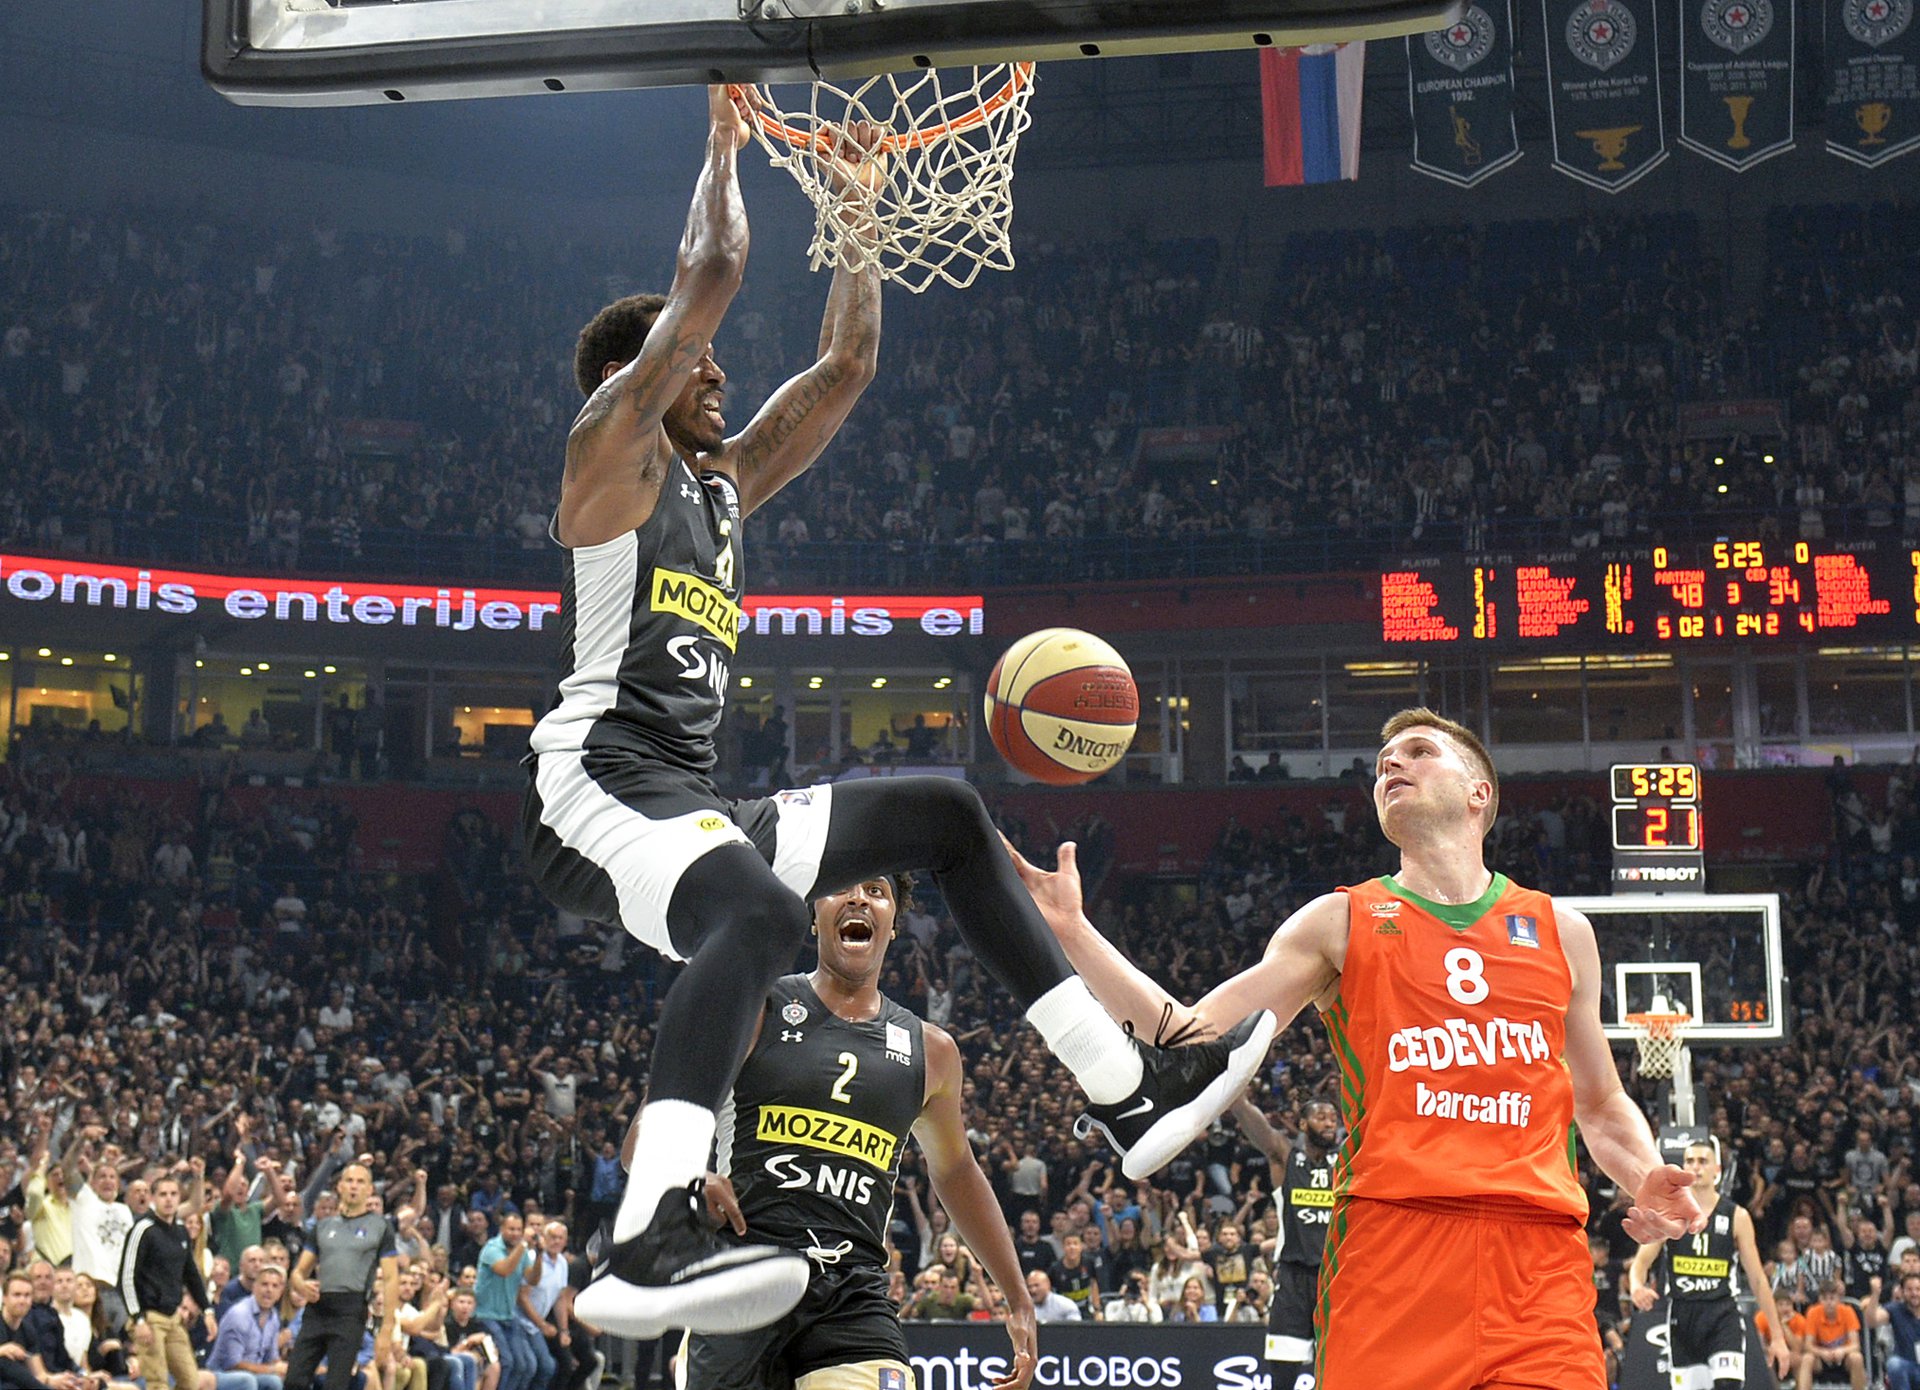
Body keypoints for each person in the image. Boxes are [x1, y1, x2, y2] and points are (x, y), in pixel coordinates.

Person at [519, 84, 1274, 1340]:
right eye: (694, 361)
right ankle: (645, 1238)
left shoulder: (722, 489)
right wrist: (724, 141)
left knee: (946, 815)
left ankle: (1125, 1089)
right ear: (628, 378)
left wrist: (859, 216)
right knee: (764, 915)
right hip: (593, 786)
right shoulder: (608, 457)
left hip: (689, 798)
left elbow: (846, 368)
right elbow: (709, 273)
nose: (719, 371)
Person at [1005, 707, 1704, 1390]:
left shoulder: (1562, 931)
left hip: (1539, 1259)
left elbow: (1600, 1102)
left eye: (1420, 752)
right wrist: (1072, 932)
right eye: (1383, 763)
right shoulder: (1340, 921)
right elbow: (1188, 1035)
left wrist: (1644, 1170)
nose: (1393, 763)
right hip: (1396, 1247)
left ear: (1479, 792)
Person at [671, 875, 1037, 1389]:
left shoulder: (932, 1051)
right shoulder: (752, 1007)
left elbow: (956, 1170)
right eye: (843, 886)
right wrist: (686, 1176)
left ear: (893, 924)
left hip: (853, 1290)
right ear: (814, 913)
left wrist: (1017, 1297)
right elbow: (650, 1125)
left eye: (877, 890)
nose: (859, 898)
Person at [1627, 1138, 1791, 1389]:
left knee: (1728, 1384)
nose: (1696, 1167)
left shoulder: (1737, 1216)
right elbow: (1640, 1263)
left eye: (1703, 1161)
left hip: (1722, 1314)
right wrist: (1636, 1286)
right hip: (1683, 1316)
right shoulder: (1669, 1214)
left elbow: (1758, 1279)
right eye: (1690, 1161)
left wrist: (1777, 1337)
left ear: (1717, 1170)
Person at [1231, 1094, 1337, 1388]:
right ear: (1303, 1124)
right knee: (1283, 1373)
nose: (1329, 1123)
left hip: (1336, 1279)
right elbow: (1258, 1127)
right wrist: (1234, 1095)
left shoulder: (1346, 1162)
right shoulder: (1287, 1158)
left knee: (1338, 1369)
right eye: (1321, 1117)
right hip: (1293, 1278)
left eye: (1333, 1118)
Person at [283, 1167, 398, 1390]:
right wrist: (301, 1286)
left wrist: (386, 1328)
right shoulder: (323, 1226)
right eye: (349, 1181)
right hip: (317, 1307)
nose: (354, 1186)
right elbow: (297, 1272)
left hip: (351, 1310)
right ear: (340, 1187)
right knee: (294, 1381)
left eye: (360, 1182)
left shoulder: (380, 1226)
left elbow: (391, 1278)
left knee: (336, 1384)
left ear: (370, 1190)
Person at [117, 1177, 208, 1390]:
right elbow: (126, 1277)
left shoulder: (181, 1231)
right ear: (152, 1198)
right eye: (163, 1194)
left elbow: (191, 1274)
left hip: (173, 1318)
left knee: (190, 1381)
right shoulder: (143, 1229)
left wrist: (208, 1309)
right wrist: (138, 1319)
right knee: (157, 1382)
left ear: (179, 1198)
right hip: (150, 1318)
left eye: (173, 1194)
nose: (168, 1199)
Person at [1797, 1279, 1865, 1390]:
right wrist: (1822, 1352)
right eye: (1825, 1299)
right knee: (1806, 1359)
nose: (1829, 1303)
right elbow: (1808, 1346)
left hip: (1843, 1357)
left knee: (1857, 1358)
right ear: (1820, 1300)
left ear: (1838, 1299)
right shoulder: (1812, 1312)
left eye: (1832, 1298)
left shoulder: (1848, 1311)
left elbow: (1856, 1345)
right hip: (1821, 1358)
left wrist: (1842, 1351)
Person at [1865, 1268, 1920, 1390]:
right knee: (1894, 1364)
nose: (1914, 1294)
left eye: (1918, 1289)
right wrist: (1875, 1294)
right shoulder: (1895, 1309)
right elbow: (1871, 1321)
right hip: (1906, 1366)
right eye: (1910, 1289)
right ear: (1902, 1291)